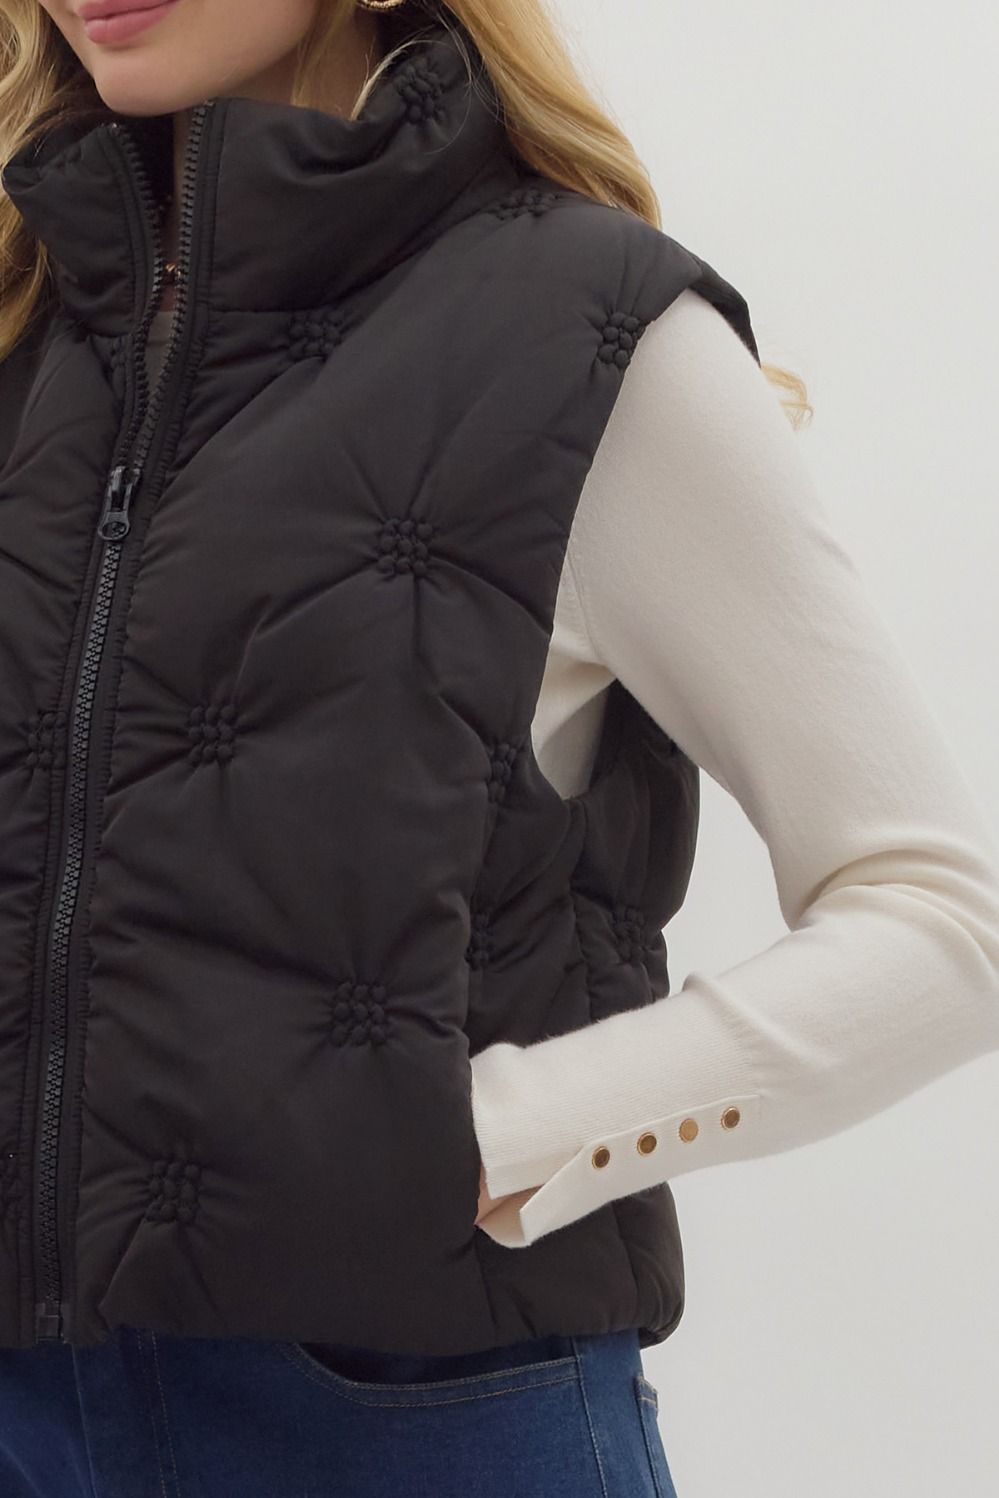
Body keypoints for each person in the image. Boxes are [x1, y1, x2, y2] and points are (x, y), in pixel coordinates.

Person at [1, 1, 997, 1494]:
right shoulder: (32, 320)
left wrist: (492, 1140)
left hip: (411, 1422)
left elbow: (943, 920)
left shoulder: (589, 330)